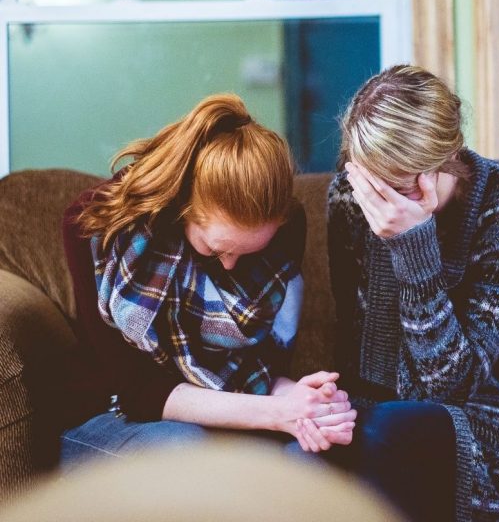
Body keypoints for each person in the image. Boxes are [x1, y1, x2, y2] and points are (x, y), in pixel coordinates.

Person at [326, 65, 499, 521]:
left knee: (388, 434)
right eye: (368, 179)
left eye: (396, 184)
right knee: (315, 448)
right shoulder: (351, 199)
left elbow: (452, 387)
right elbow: (359, 348)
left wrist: (414, 247)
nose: (377, 200)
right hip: (393, 407)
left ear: (443, 161)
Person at [60, 94, 356, 468]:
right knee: (187, 449)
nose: (231, 266)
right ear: (182, 207)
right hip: (112, 415)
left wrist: (305, 401)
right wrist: (277, 413)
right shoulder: (95, 227)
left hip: (228, 412)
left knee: (312, 458)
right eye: (216, 250)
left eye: (246, 253)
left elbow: (262, 370)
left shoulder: (285, 230)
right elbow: (139, 393)